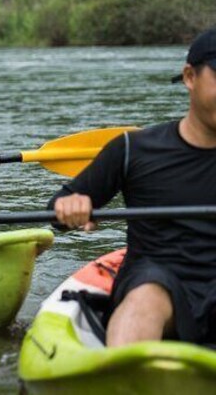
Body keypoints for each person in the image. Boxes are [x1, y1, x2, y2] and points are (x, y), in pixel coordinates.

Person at [50, 27, 216, 347]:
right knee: (148, 296)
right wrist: (72, 207)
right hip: (159, 282)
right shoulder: (132, 149)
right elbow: (59, 206)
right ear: (190, 77)